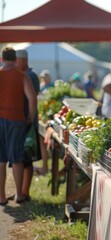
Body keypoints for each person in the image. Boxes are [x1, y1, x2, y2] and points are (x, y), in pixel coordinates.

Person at [0, 47, 37, 204]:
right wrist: (30, 116)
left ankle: (1, 197)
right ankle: (18, 195)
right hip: (16, 119)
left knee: (0, 159)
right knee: (16, 159)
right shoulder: (22, 76)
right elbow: (32, 98)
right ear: (15, 59)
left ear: (2, 59)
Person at [15, 49, 41, 201]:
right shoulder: (20, 75)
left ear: (24, 60)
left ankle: (25, 191)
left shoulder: (31, 76)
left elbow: (32, 97)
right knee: (20, 158)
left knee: (28, 157)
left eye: (17, 60)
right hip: (20, 121)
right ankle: (21, 190)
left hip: (29, 123)